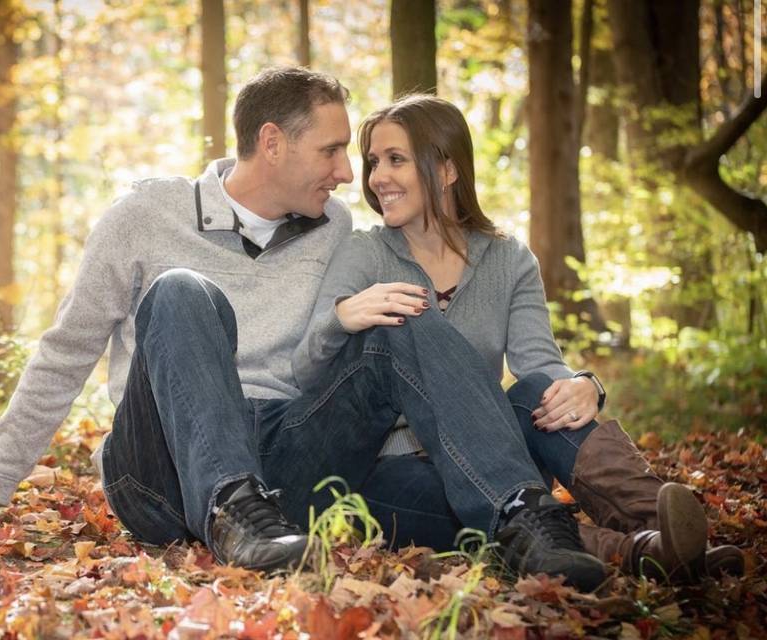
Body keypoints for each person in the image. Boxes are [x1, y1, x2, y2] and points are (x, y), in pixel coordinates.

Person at [0, 67, 607, 590]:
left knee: (400, 304)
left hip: (288, 459)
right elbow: (65, 353)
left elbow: (390, 327)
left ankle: (524, 517)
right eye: (333, 151)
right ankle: (228, 508)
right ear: (272, 143)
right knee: (184, 292)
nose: (347, 174)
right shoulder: (146, 214)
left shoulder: (335, 229)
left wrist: (569, 377)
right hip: (162, 466)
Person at [292, 94, 743, 582]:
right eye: (374, 161)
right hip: (393, 466)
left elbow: (539, 364)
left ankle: (661, 524)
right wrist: (343, 315)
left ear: (447, 170)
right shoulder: (364, 253)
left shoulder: (508, 258)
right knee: (463, 505)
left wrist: (584, 384)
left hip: (493, 454)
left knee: (536, 394)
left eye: (396, 159)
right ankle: (643, 553)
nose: (377, 177)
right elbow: (306, 367)